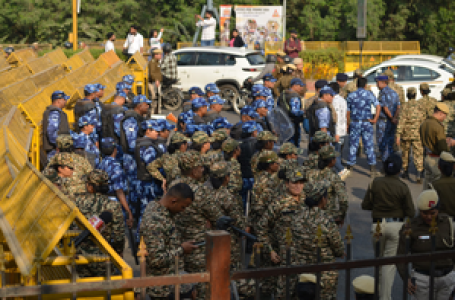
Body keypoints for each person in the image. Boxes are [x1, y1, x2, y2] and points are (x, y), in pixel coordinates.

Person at [361, 154, 415, 300]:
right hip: (395, 226)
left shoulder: (375, 183)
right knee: (389, 264)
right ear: (399, 170)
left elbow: (365, 205)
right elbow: (411, 212)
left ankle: (378, 294)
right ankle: (384, 297)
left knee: (378, 261)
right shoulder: (402, 187)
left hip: (377, 225)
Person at [256, 167, 308, 299]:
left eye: (301, 183)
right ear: (286, 183)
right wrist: (270, 250)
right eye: (294, 183)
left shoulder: (307, 201)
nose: (298, 186)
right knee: (283, 294)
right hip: (286, 257)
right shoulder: (279, 203)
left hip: (305, 257)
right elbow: (261, 227)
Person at [139, 183, 197, 299]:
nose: (182, 211)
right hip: (163, 288)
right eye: (183, 207)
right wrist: (182, 249)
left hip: (170, 282)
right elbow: (156, 259)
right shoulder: (155, 221)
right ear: (173, 201)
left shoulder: (157, 207)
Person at [396, 189, 455, 300]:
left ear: (438, 210)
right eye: (425, 213)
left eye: (433, 213)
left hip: (446, 278)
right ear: (420, 211)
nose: (429, 217)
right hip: (423, 279)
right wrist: (406, 278)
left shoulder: (448, 223)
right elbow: (400, 255)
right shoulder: (411, 227)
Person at [292, 180, 345, 300]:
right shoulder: (326, 219)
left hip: (302, 269)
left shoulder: (297, 216)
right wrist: (340, 252)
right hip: (324, 272)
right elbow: (337, 246)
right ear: (322, 199)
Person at [74, 170, 125, 277]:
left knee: (82, 290)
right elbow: (118, 235)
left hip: (78, 255)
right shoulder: (113, 206)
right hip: (103, 257)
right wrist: (118, 251)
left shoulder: (76, 201)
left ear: (90, 187)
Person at [346, 78, 380, 175]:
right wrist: (375, 119)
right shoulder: (369, 94)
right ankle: (372, 168)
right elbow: (378, 106)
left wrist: (348, 124)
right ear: (365, 85)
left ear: (356, 85)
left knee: (353, 145)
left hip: (355, 122)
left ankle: (350, 167)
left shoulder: (351, 95)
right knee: (369, 145)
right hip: (366, 122)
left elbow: (347, 112)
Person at [97, 137, 134, 228]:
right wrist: (128, 211)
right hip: (115, 204)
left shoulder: (101, 163)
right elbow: (119, 191)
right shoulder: (115, 166)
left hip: (103, 201)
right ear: (115, 150)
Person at [309, 145, 348, 227]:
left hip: (310, 216)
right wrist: (341, 216)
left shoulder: (310, 173)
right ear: (332, 161)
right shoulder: (333, 176)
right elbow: (343, 199)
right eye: (335, 158)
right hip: (329, 217)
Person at [396, 87, 426, 182]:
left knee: (405, 154)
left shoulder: (404, 106)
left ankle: (405, 172)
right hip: (418, 134)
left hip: (406, 134)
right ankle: (419, 173)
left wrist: (398, 135)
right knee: (418, 154)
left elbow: (401, 121)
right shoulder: (420, 106)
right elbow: (423, 121)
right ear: (415, 95)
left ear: (407, 95)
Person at [420, 102, 451, 189]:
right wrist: (449, 144)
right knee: (437, 186)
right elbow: (443, 148)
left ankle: (425, 201)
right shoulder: (438, 126)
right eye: (445, 116)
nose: (445, 118)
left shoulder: (424, 123)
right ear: (440, 113)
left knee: (427, 184)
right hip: (436, 160)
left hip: (427, 157)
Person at [376, 75, 400, 164]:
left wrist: (391, 118)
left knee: (382, 142)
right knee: (390, 142)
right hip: (392, 121)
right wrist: (394, 118)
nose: (376, 84)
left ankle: (385, 163)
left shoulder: (383, 93)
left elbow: (385, 108)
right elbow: (398, 107)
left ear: (383, 83)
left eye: (377, 82)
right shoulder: (394, 92)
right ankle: (391, 162)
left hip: (384, 121)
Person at [42, 91, 70, 163]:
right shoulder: (54, 112)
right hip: (55, 150)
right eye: (64, 100)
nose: (66, 101)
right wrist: (58, 145)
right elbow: (51, 131)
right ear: (58, 101)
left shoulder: (56, 112)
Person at [329, 82, 349, 179]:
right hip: (342, 130)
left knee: (333, 152)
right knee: (338, 152)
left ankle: (341, 169)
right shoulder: (342, 100)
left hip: (337, 131)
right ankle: (338, 171)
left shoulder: (335, 101)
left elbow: (336, 118)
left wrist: (336, 133)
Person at [278, 78, 305, 147]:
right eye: (300, 86)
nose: (301, 88)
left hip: (282, 122)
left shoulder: (283, 93)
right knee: (293, 146)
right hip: (292, 124)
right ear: (294, 85)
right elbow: (295, 112)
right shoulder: (294, 96)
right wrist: (304, 111)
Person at [431, 151, 455, 219]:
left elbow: (430, 207)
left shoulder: (434, 185)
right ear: (454, 167)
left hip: (440, 221)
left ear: (439, 167)